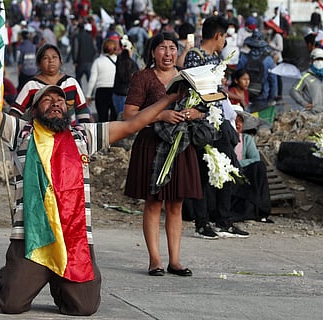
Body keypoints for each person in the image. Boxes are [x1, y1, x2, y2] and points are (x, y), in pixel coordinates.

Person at [0, 52, 185, 315]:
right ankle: (5, 280)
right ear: (34, 110)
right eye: (46, 100)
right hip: (32, 237)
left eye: (60, 100)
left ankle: (60, 284)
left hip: (74, 236)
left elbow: (134, 123)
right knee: (11, 305)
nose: (55, 103)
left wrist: (170, 98)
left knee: (84, 308)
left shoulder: (84, 135)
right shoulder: (21, 132)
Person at [124, 32, 202, 277]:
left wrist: (191, 114)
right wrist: (160, 115)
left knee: (176, 204)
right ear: (152, 52)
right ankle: (155, 260)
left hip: (179, 146)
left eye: (172, 48)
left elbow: (202, 108)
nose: (167, 54)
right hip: (152, 145)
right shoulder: (143, 78)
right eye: (162, 48)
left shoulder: (186, 78)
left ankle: (175, 260)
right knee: (154, 202)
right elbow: (128, 115)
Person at [183, 15, 250, 239]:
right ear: (218, 35)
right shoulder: (195, 57)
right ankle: (202, 223)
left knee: (229, 169)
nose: (225, 41)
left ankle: (224, 220)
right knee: (204, 173)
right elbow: (195, 91)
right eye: (225, 36)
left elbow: (219, 95)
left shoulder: (216, 58)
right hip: (202, 124)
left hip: (220, 122)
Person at [10, 43, 91, 124]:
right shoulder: (31, 85)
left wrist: (84, 129)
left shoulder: (71, 83)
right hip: (40, 134)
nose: (51, 60)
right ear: (39, 63)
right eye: (45, 58)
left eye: (54, 57)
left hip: (69, 134)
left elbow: (82, 110)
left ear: (60, 61)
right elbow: (15, 112)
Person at [231, 107, 272, 223]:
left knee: (258, 167)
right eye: (235, 120)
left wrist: (237, 164)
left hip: (243, 173)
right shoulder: (221, 138)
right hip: (226, 175)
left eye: (240, 121)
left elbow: (255, 158)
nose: (238, 124)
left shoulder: (246, 139)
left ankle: (257, 210)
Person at [236, 30, 277, 124]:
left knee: (246, 124)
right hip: (262, 97)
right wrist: (271, 99)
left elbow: (237, 77)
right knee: (260, 123)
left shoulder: (243, 58)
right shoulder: (268, 60)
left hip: (245, 97)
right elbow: (273, 82)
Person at [86, 38, 118, 122]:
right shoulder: (119, 61)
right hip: (116, 91)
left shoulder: (98, 61)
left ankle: (103, 134)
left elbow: (92, 80)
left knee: (102, 118)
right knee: (114, 118)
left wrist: (88, 95)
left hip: (101, 92)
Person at [290, 48, 323, 113]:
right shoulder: (305, 76)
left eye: (322, 59)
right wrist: (304, 103)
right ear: (311, 60)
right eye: (317, 59)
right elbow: (293, 91)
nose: (320, 61)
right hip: (312, 114)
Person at [112, 36, 139, 117]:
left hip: (117, 94)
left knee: (120, 118)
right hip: (127, 96)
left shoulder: (118, 61)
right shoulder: (132, 64)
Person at [264, 19, 284, 100]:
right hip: (271, 58)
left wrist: (270, 44)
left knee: (278, 78)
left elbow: (280, 48)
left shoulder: (278, 36)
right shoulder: (270, 36)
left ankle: (280, 94)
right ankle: (273, 93)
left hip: (278, 59)